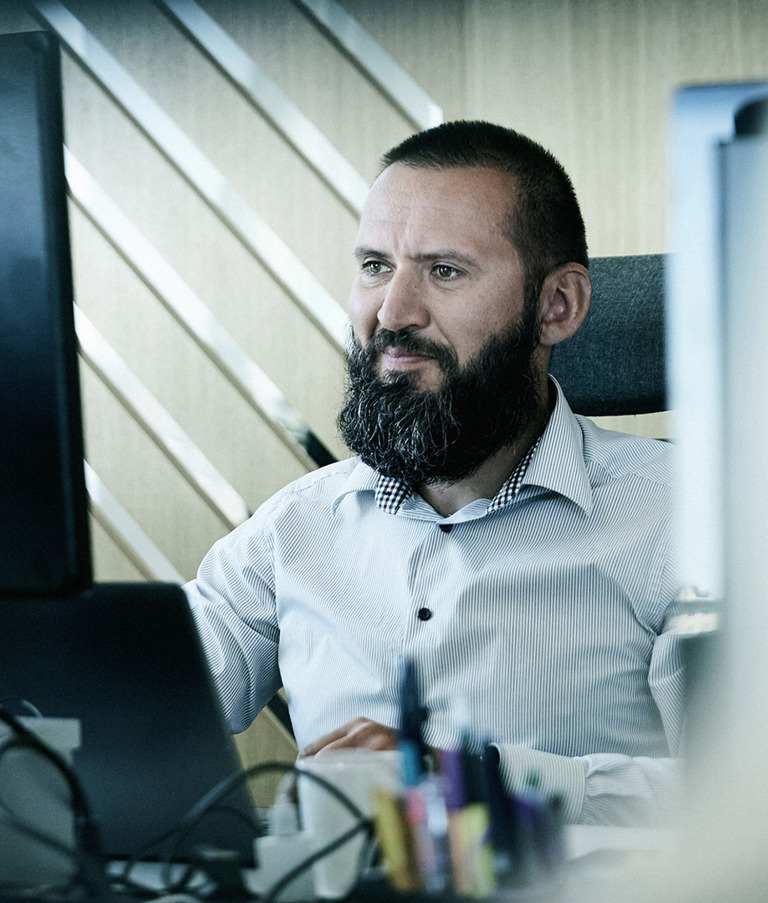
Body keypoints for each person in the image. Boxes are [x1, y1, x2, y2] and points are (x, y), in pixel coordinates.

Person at [185, 120, 682, 826]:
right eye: (375, 266)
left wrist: (480, 780)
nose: (392, 312)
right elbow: (134, 695)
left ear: (557, 306)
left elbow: (741, 789)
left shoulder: (696, 516)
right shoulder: (292, 527)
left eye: (444, 271)